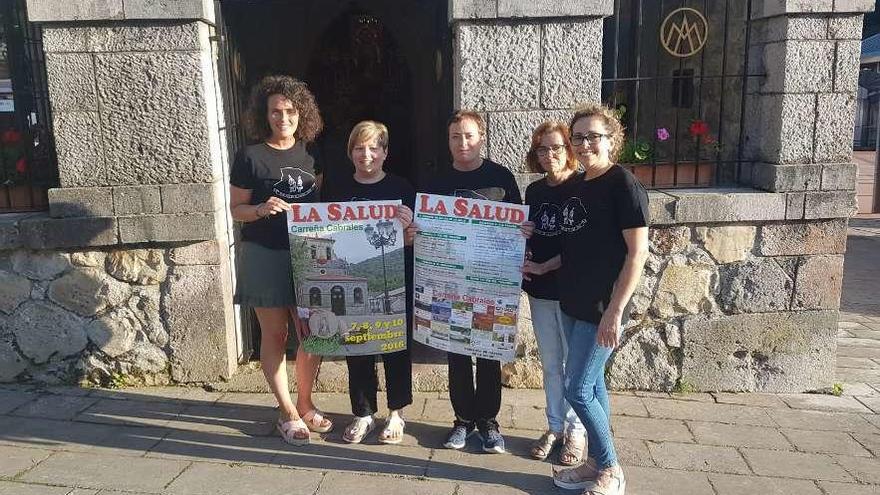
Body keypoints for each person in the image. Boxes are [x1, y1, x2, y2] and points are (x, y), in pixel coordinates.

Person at [524, 103, 649, 495]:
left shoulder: (623, 185)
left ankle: (611, 469)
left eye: (593, 136)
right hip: (570, 301)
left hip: (602, 307)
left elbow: (637, 254)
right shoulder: (577, 185)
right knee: (593, 388)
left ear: (612, 140)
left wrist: (615, 311)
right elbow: (574, 246)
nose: (584, 144)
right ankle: (595, 461)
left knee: (577, 387)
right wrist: (544, 268)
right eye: (578, 137)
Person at [229, 75, 334, 445]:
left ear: (301, 113)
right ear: (265, 114)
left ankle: (305, 402)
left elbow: (318, 201)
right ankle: (286, 410)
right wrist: (259, 208)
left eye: (290, 111)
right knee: (276, 333)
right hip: (264, 254)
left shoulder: (311, 152)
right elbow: (236, 210)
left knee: (313, 331)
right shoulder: (249, 156)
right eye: (276, 111)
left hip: (307, 253)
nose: (283, 117)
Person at [425, 110, 531, 454]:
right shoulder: (436, 180)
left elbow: (517, 223)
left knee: (488, 352)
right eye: (456, 136)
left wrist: (523, 231)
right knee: (456, 351)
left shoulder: (500, 177)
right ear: (448, 141)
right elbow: (427, 229)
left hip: (490, 280)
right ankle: (462, 421)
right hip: (451, 280)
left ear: (481, 137)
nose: (463, 143)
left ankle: (488, 422)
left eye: (469, 135)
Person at [321, 120, 416, 445]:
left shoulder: (403, 189)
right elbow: (324, 234)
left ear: (385, 152)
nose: (367, 154)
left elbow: (414, 240)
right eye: (360, 147)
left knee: (394, 349)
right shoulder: (336, 188)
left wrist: (408, 230)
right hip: (350, 283)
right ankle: (363, 413)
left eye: (374, 147)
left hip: (392, 280)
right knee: (357, 348)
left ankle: (396, 413)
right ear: (350, 152)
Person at [522, 121, 587, 466]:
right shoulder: (534, 192)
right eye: (542, 149)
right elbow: (531, 238)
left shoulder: (582, 187)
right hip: (540, 289)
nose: (549, 155)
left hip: (572, 290)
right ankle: (554, 427)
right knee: (550, 363)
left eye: (556, 147)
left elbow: (582, 244)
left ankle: (577, 431)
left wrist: (547, 266)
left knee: (573, 365)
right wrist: (524, 241)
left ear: (569, 150)